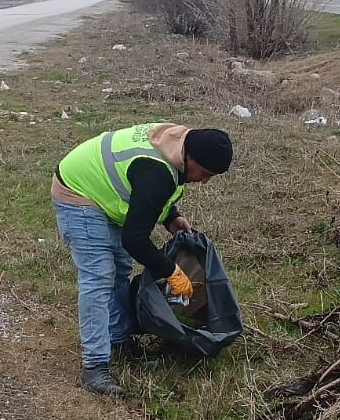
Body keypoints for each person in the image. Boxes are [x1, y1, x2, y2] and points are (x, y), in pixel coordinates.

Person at [52, 123, 233, 396]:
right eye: (205, 173)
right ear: (191, 158)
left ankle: (119, 341)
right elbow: (134, 240)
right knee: (99, 277)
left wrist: (171, 216)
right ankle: (94, 368)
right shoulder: (156, 172)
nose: (205, 181)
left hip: (105, 190)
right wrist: (170, 271)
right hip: (78, 192)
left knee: (121, 270)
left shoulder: (178, 145)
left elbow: (149, 189)